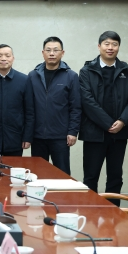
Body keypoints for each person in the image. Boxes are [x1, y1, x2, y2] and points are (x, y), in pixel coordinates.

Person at [79, 31, 128, 202]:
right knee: (91, 177)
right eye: (106, 44)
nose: (110, 47)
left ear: (118, 47)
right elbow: (87, 101)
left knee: (115, 177)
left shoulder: (127, 70)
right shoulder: (87, 70)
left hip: (119, 133)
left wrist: (122, 121)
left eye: (114, 44)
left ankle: (113, 213)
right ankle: (90, 212)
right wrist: (109, 124)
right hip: (94, 133)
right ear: (99, 46)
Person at [28, 37, 81, 174]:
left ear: (62, 53)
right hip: (37, 136)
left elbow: (76, 107)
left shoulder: (71, 76)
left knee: (62, 174)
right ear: (43, 53)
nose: (52, 53)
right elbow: (28, 107)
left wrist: (72, 131)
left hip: (60, 136)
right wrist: (27, 134)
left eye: (56, 50)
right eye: (48, 50)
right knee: (37, 174)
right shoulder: (33, 76)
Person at [0, 44, 34, 156]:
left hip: (15, 137)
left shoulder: (24, 80)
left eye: (7, 55)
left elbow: (29, 111)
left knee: (13, 167)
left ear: (13, 58)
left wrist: (27, 137)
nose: (3, 59)